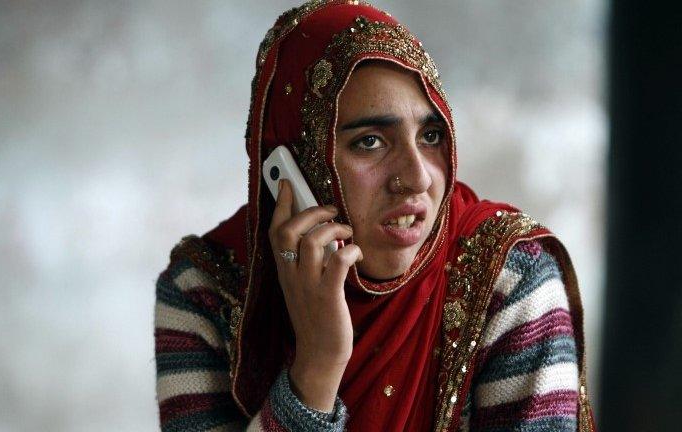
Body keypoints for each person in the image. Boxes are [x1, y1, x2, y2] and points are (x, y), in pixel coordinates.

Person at [154, 1, 596, 431]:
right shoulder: (205, 291)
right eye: (369, 141)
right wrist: (316, 369)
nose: (417, 178)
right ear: (298, 164)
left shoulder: (507, 279)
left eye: (430, 134)